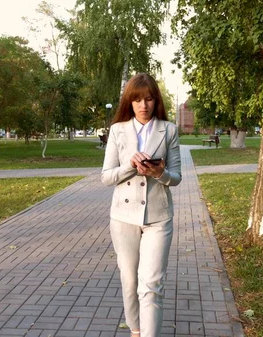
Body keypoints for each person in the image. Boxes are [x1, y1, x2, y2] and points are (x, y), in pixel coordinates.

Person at [101, 73, 182, 337]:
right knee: (130, 281)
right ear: (129, 102)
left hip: (158, 216)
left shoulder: (168, 130)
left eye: (148, 99)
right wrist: (130, 166)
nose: (143, 105)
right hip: (123, 217)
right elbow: (106, 177)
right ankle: (135, 330)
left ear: (155, 100)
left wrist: (159, 173)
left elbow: (177, 177)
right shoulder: (117, 131)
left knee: (152, 284)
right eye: (137, 100)